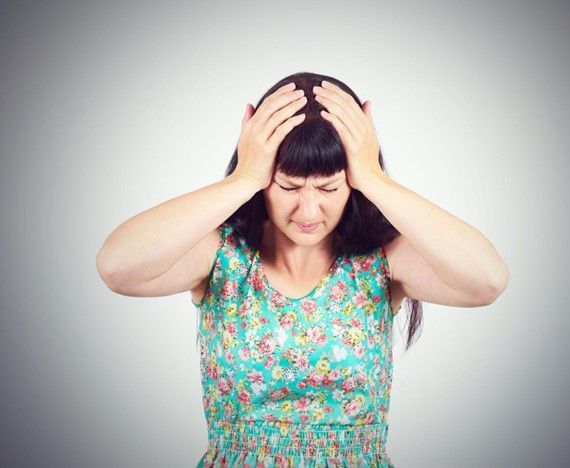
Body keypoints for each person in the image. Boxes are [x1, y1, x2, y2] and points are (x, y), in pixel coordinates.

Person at [96, 71, 509, 467]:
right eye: (289, 187)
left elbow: (488, 281)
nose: (308, 211)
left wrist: (374, 178)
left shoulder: (381, 263)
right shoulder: (222, 256)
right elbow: (117, 267)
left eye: (329, 188)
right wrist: (243, 178)